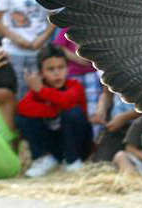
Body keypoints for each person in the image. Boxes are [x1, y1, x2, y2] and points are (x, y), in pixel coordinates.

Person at [14, 45, 91, 177]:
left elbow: (67, 100)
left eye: (61, 68)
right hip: (54, 144)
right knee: (23, 118)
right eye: (50, 69)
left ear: (67, 69)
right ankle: (44, 159)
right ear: (41, 73)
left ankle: (73, 161)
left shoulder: (74, 86)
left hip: (78, 145)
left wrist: (42, 91)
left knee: (73, 112)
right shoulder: (37, 90)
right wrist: (55, 110)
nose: (57, 73)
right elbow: (23, 107)